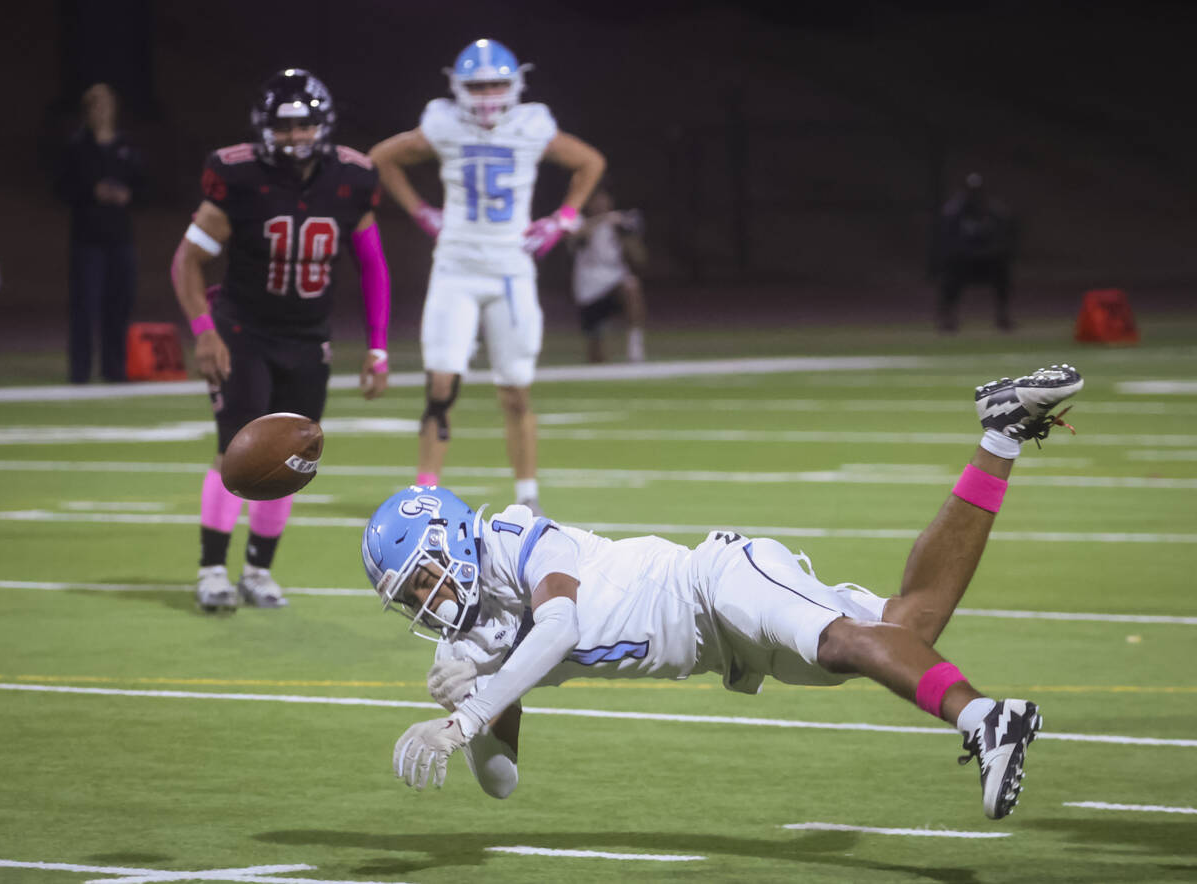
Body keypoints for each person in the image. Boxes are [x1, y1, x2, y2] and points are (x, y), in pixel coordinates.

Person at [362, 364, 1085, 820]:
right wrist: (475, 704)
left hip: (714, 580)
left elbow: (557, 626)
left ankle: (989, 719)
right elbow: (502, 785)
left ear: (454, 537)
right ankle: (1001, 436)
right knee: (905, 630)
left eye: (423, 577)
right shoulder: (468, 645)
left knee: (842, 641)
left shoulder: (516, 537)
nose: (426, 601)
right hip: (723, 654)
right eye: (409, 596)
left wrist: (470, 712)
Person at [172, 68, 393, 612]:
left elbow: (372, 266)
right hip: (243, 331)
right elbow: (187, 262)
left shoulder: (352, 178)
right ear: (264, 128)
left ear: (323, 126)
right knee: (235, 449)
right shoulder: (237, 176)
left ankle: (258, 571)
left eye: (304, 126)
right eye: (284, 126)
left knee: (294, 457)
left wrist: (378, 344)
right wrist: (204, 332)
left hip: (308, 336)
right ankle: (211, 570)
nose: (294, 137)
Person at [369, 38, 606, 516]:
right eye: (477, 86)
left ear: (514, 84)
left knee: (515, 391)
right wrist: (420, 212)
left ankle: (528, 497)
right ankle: (426, 495)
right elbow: (381, 157)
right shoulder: (443, 124)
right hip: (455, 265)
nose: (487, 95)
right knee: (440, 386)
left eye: (496, 83)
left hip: (510, 272)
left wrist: (563, 218)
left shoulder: (531, 125)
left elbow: (589, 162)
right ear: (459, 88)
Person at [57, 83, 145, 384]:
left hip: (120, 237)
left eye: (106, 104)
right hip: (87, 239)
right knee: (85, 307)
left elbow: (146, 187)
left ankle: (115, 371)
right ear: (87, 111)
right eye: (95, 105)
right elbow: (61, 189)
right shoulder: (77, 147)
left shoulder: (126, 147)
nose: (102, 110)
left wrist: (128, 195)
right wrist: (91, 192)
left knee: (119, 305)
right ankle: (80, 373)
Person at [568, 181, 648, 363]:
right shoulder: (579, 220)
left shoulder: (618, 225)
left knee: (631, 287)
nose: (601, 204)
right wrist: (606, 218)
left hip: (614, 280)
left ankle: (635, 345)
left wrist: (630, 235)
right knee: (596, 356)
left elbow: (640, 258)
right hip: (588, 289)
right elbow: (577, 237)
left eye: (604, 200)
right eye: (596, 201)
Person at [932, 173, 1018, 333]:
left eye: (977, 190)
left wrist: (990, 251)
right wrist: (964, 253)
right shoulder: (954, 211)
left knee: (1002, 272)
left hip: (986, 259)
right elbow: (948, 238)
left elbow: (1003, 234)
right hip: (962, 260)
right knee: (950, 277)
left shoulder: (993, 210)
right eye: (971, 190)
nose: (974, 194)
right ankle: (948, 317)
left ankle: (1003, 315)